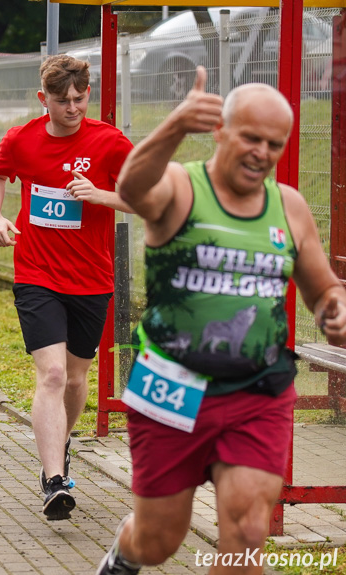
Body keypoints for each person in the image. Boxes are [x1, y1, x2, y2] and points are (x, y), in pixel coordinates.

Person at [96, 68, 346, 575]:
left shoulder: (289, 207)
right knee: (159, 539)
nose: (261, 152)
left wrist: (332, 310)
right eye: (250, 138)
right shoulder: (180, 187)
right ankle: (124, 557)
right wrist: (173, 126)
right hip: (171, 385)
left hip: (258, 391)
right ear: (220, 132)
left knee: (249, 533)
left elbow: (322, 288)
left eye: (274, 144)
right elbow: (132, 185)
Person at [0, 54, 134, 522]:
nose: (73, 107)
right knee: (49, 374)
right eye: (62, 100)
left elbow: (149, 194)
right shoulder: (22, 139)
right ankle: (53, 479)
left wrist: (102, 195)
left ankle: (60, 445)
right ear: (42, 98)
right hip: (36, 274)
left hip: (91, 279)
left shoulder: (109, 142)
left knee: (73, 378)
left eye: (80, 97)